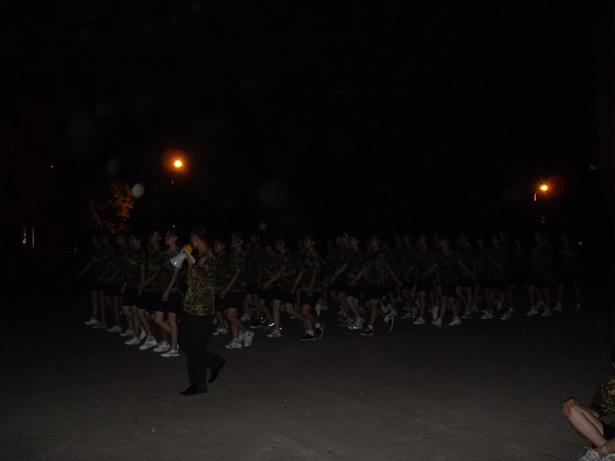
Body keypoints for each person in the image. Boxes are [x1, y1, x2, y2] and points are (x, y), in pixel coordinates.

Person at [178, 227, 225, 396]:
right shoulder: (201, 258)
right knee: (184, 342)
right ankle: (213, 361)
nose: (191, 243)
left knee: (195, 348)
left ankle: (198, 385)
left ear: (197, 239)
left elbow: (192, 281)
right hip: (191, 308)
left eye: (193, 239)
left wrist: (190, 263)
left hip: (202, 311)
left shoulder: (209, 260)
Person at [564, 348, 615, 460]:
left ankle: (601, 452)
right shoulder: (611, 385)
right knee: (572, 409)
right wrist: (576, 403)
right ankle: (609, 454)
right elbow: (595, 412)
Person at [152, 228, 183, 357]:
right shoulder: (165, 253)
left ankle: (174, 347)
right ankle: (177, 340)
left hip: (172, 290)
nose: (166, 238)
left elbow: (176, 274)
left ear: (175, 238)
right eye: (166, 236)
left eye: (169, 236)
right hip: (162, 289)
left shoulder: (179, 253)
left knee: (171, 319)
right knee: (157, 319)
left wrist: (167, 290)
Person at [221, 234, 255, 350]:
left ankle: (247, 331)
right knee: (231, 314)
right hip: (232, 288)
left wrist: (226, 289)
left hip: (238, 288)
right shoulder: (232, 255)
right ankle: (236, 340)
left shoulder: (242, 256)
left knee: (229, 315)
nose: (233, 242)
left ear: (241, 242)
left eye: (235, 240)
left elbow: (237, 274)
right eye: (232, 240)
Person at [555, 233, 582, 312]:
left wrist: (569, 254)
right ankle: (559, 304)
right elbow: (559, 258)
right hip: (563, 269)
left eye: (565, 237)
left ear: (568, 238)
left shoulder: (573, 246)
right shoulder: (561, 246)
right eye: (562, 237)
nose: (563, 238)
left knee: (575, 286)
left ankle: (578, 304)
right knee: (560, 286)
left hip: (572, 269)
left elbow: (576, 256)